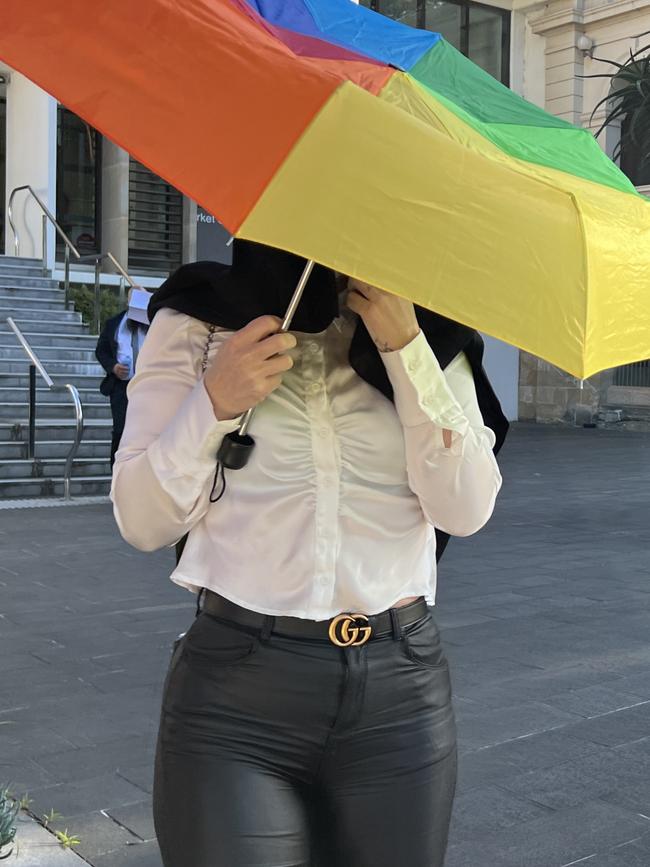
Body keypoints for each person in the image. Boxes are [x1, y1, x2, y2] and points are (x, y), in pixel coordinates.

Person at [111, 241, 507, 867]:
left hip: (400, 695)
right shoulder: (199, 320)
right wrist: (214, 402)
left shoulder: (428, 327)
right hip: (238, 697)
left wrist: (406, 349)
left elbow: (465, 509)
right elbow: (141, 519)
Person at [95, 297, 149, 465]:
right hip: (121, 385)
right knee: (121, 430)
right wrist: (113, 366)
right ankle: (117, 471)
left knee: (145, 431)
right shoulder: (114, 324)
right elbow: (101, 350)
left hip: (147, 385)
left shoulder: (154, 325)